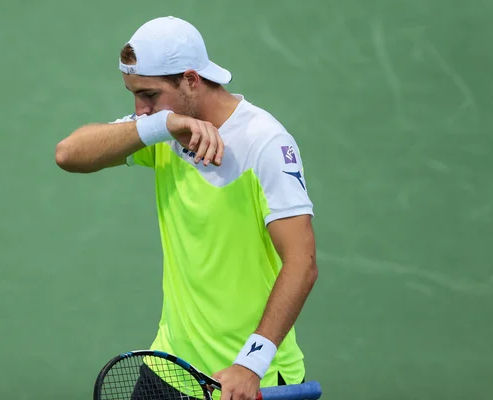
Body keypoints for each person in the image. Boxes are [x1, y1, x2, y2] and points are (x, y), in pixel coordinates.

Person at [55, 16, 318, 400]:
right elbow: (68, 153)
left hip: (246, 378)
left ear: (191, 80)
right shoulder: (164, 129)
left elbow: (302, 262)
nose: (140, 108)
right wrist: (162, 124)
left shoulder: (266, 143)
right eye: (133, 94)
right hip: (168, 367)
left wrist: (251, 364)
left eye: (148, 95)